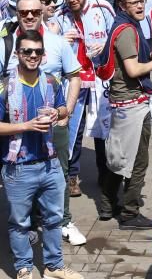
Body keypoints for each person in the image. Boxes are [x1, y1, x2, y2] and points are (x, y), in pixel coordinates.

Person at [0, 30, 84, 279]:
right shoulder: (4, 87)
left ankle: (54, 267)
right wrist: (25, 126)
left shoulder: (51, 81)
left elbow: (61, 107)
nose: (32, 55)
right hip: (19, 167)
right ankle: (24, 269)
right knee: (20, 222)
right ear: (17, 54)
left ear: (43, 55)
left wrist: (59, 113)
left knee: (54, 219)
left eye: (37, 51)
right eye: (27, 51)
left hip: (50, 164)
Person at [95, 0, 152, 230]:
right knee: (136, 162)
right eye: (134, 2)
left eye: (141, 1)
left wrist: (149, 56)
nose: (140, 6)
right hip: (132, 104)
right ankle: (130, 213)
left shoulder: (125, 24)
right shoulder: (127, 30)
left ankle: (107, 206)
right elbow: (132, 69)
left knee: (119, 157)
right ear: (122, 5)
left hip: (124, 101)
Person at [55, 0, 115, 207]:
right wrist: (61, 40)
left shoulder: (103, 7)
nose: (71, 0)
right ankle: (72, 176)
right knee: (74, 128)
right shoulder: (60, 16)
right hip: (76, 80)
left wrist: (106, 44)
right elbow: (50, 45)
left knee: (103, 126)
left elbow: (116, 32)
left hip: (101, 77)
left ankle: (105, 173)